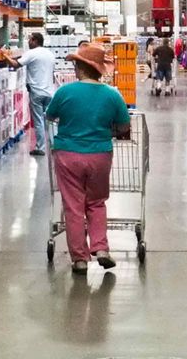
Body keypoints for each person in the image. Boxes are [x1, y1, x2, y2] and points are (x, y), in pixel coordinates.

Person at [45, 42, 131, 274]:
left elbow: (50, 115)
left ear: (81, 68)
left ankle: (80, 259)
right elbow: (124, 125)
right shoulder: (112, 95)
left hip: (68, 154)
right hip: (100, 155)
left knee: (73, 206)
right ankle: (101, 248)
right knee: (96, 202)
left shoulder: (65, 92)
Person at [6, 33, 56, 157]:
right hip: (49, 92)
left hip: (37, 92)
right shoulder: (50, 54)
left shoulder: (32, 53)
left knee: (38, 120)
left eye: (30, 39)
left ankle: (41, 147)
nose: (28, 42)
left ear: (35, 41)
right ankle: (54, 145)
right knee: (50, 120)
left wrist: (4, 55)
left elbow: (15, 64)